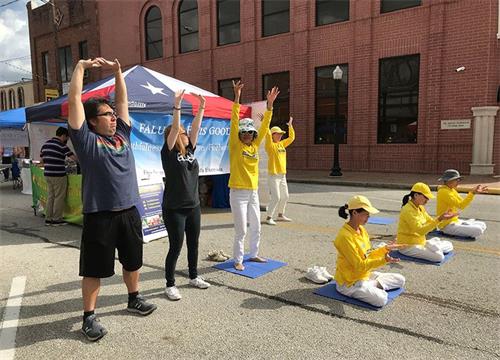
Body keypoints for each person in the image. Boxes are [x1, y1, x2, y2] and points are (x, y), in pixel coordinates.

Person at [68, 57, 156, 342]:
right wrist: (80, 69)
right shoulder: (86, 142)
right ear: (92, 121)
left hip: (129, 211)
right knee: (95, 269)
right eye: (106, 114)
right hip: (100, 215)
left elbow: (122, 103)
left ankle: (134, 298)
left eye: (112, 113)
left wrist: (119, 73)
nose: (113, 116)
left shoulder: (123, 135)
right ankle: (89, 318)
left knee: (133, 262)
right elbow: (75, 103)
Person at [161, 89, 210, 301]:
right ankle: (170, 284)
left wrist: (202, 107)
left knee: (194, 243)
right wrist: (177, 105)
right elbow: (174, 130)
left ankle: (193, 276)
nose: (186, 134)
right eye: (182, 131)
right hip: (174, 208)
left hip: (193, 206)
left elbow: (197, 127)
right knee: (176, 245)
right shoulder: (168, 152)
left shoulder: (190, 151)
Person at [229, 80, 279, 271]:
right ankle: (238, 259)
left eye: (251, 132)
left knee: (257, 225)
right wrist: (237, 97)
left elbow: (265, 127)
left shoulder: (255, 146)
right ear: (241, 134)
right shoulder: (235, 145)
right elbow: (234, 121)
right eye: (245, 132)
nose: (248, 135)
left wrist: (270, 106)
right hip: (238, 192)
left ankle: (254, 253)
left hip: (253, 192)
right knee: (241, 229)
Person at [334, 195, 405, 307]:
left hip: (364, 275)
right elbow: (359, 265)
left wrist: (385, 249)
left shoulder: (361, 229)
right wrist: (383, 260)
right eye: (366, 214)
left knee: (400, 280)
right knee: (381, 299)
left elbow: (367, 254)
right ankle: (369, 286)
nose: (368, 217)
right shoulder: (344, 237)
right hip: (349, 283)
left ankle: (369, 285)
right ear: (355, 213)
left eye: (368, 215)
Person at [397, 182, 456, 262]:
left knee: (449, 244)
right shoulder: (408, 210)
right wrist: (439, 220)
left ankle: (433, 245)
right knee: (439, 257)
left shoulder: (420, 207)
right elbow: (420, 231)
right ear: (416, 195)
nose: (427, 200)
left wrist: (442, 218)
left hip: (421, 242)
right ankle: (433, 246)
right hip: (408, 246)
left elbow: (430, 220)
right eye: (426, 197)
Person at [40, 127, 76, 226]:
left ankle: (48, 218)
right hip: (58, 174)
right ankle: (57, 219)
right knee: (59, 197)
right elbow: (74, 158)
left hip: (47, 174)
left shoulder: (46, 144)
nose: (67, 140)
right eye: (67, 138)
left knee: (51, 196)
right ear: (63, 135)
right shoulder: (62, 145)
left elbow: (41, 161)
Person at [436, 169, 487, 238]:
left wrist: (472, 193)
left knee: (482, 224)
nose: (458, 182)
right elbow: (461, 206)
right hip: (446, 225)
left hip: (455, 221)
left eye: (459, 180)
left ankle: (465, 227)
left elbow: (462, 202)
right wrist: (472, 193)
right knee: (478, 230)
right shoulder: (443, 192)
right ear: (449, 180)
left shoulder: (451, 190)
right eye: (456, 180)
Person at [264, 116, 295, 225]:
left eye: (281, 134)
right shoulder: (270, 146)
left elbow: (291, 138)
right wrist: (266, 123)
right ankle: (268, 217)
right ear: (273, 135)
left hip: (282, 175)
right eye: (278, 133)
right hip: (273, 175)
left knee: (285, 196)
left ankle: (280, 214)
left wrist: (290, 126)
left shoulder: (282, 144)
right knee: (276, 197)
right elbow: (267, 135)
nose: (280, 135)